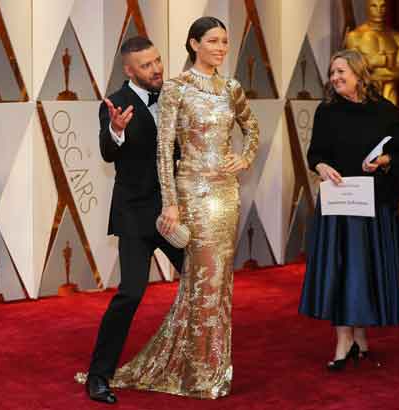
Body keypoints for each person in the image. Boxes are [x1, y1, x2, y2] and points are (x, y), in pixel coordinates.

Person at [108, 17, 259, 399]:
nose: (222, 48)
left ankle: (211, 367)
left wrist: (245, 158)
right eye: (213, 41)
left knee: (219, 282)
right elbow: (163, 151)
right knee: (201, 284)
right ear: (194, 45)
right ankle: (195, 371)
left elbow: (252, 129)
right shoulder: (177, 88)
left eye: (225, 41)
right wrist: (172, 205)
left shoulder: (232, 88)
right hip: (192, 196)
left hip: (226, 195)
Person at [79, 36, 184, 404]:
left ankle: (194, 363)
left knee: (202, 284)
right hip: (137, 215)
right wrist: (117, 130)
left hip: (175, 213)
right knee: (131, 294)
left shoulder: (173, 95)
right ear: (129, 71)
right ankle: (98, 375)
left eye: (157, 61)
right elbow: (108, 152)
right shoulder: (116, 103)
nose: (156, 69)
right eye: (146, 65)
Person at [299, 49, 399, 371]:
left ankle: (360, 337)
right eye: (332, 72)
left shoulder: (385, 112)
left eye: (341, 72)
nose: (335, 78)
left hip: (373, 203)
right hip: (338, 202)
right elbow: (315, 154)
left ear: (359, 73)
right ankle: (344, 339)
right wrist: (321, 167)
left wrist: (385, 160)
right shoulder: (326, 111)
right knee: (341, 269)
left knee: (364, 269)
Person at [345, 0, 399, 106]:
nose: (379, 11)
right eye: (374, 6)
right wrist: (378, 64)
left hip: (389, 95)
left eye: (382, 6)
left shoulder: (397, 38)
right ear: (367, 7)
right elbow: (353, 71)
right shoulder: (355, 37)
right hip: (364, 97)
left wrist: (371, 67)